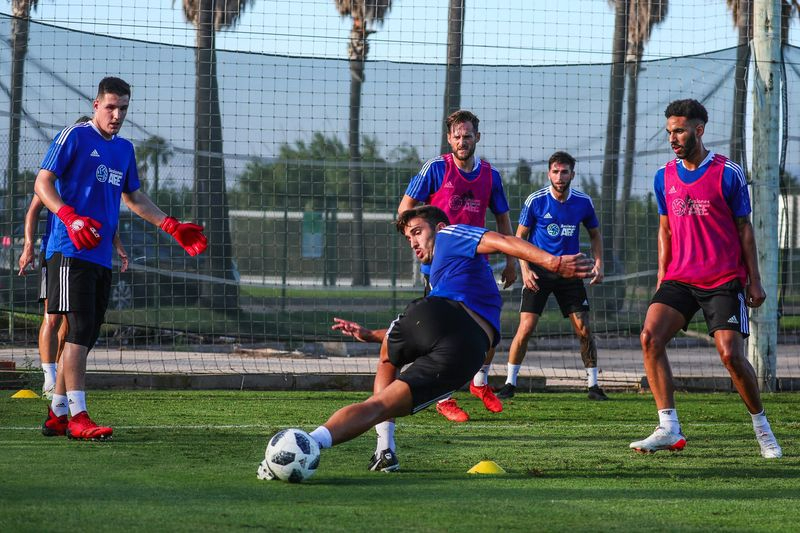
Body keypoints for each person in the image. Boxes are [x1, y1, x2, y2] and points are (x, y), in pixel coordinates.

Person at [306, 206, 594, 467]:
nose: (413, 242)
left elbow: (504, 241)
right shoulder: (437, 274)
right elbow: (427, 328)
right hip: (467, 354)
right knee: (380, 403)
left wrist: (552, 262)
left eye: (417, 232)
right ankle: (318, 443)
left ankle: (379, 445)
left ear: (439, 227)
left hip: (449, 321)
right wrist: (371, 334)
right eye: (409, 238)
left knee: (385, 369)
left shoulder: (451, 234)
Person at [35, 77, 207, 440]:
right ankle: (79, 417)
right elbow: (43, 183)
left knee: (87, 333)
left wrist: (171, 226)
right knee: (78, 329)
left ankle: (58, 413)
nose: (117, 115)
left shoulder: (124, 150)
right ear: (96, 104)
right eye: (111, 107)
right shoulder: (75, 136)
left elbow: (133, 198)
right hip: (68, 250)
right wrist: (69, 216)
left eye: (123, 108)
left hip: (99, 256)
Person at [629, 99, 781, 458]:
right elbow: (664, 230)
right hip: (680, 277)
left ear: (698, 129)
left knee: (730, 355)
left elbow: (745, 229)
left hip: (723, 279)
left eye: (679, 130)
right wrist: (661, 278)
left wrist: (754, 281)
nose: (673, 138)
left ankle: (762, 427)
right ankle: (669, 427)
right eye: (669, 132)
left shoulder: (728, 173)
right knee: (649, 337)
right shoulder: (663, 176)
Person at [398, 109, 516, 424]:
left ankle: (479, 383)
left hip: (476, 265)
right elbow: (405, 210)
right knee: (443, 334)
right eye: (457, 137)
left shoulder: (491, 175)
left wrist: (511, 261)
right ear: (449, 138)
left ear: (477, 137)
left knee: (491, 331)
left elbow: (503, 218)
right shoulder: (436, 169)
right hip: (443, 267)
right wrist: (419, 239)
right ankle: (443, 397)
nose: (462, 142)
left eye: (467, 136)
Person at [18, 116, 129, 400]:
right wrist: (28, 246)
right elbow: (33, 208)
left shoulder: (112, 160)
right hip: (59, 252)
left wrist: (117, 243)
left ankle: (61, 397)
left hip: (92, 254)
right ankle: (50, 379)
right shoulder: (60, 172)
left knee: (77, 326)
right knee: (52, 318)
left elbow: (106, 217)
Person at [496, 151, 607, 401]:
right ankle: (509, 383)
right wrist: (525, 269)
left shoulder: (583, 202)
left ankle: (594, 386)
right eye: (555, 171)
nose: (559, 176)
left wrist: (599, 263)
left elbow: (595, 234)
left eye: (564, 171)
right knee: (526, 328)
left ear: (572, 174)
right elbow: (519, 239)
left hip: (570, 272)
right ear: (549, 173)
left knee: (583, 328)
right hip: (538, 271)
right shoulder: (536, 200)